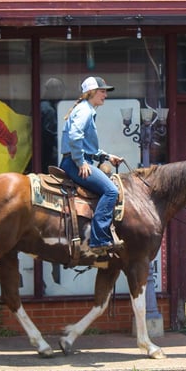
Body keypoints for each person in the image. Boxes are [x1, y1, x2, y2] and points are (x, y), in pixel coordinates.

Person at [59, 76, 124, 257]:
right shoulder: (85, 111)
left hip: (74, 160)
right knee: (111, 191)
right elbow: (74, 136)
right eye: (102, 91)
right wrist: (80, 162)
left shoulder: (85, 109)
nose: (105, 95)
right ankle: (99, 240)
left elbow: (86, 145)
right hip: (74, 163)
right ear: (92, 92)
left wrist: (106, 157)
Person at [40, 77, 63, 170]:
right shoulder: (48, 110)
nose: (61, 94)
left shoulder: (41, 105)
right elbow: (51, 136)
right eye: (59, 90)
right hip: (46, 155)